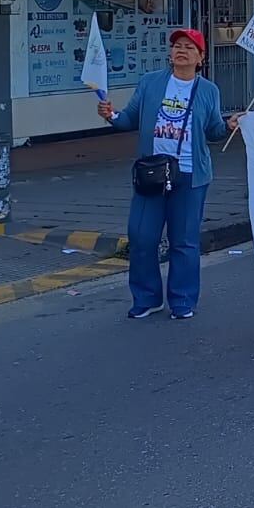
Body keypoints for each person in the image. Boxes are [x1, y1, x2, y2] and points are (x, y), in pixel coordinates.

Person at [97, 29, 239, 321]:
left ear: (201, 57)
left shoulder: (208, 90)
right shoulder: (151, 83)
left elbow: (212, 130)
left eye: (189, 47)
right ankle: (147, 298)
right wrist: (110, 115)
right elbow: (128, 119)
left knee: (184, 241)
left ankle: (183, 300)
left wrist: (228, 125)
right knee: (141, 237)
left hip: (190, 175)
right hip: (152, 174)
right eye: (177, 46)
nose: (181, 51)